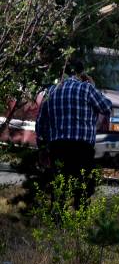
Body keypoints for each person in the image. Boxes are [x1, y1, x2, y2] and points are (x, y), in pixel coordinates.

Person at [35, 59, 112, 203]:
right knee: (82, 187)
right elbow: (107, 107)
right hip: (82, 147)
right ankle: (79, 219)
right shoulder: (87, 89)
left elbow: (41, 123)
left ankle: (57, 219)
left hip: (58, 146)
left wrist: (42, 147)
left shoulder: (51, 91)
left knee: (60, 185)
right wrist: (93, 86)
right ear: (81, 73)